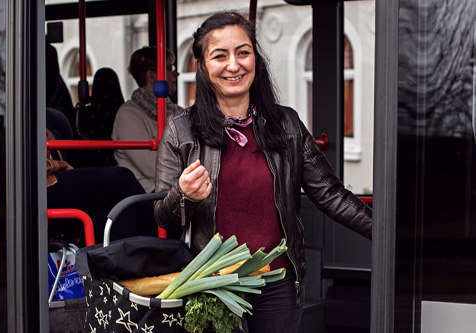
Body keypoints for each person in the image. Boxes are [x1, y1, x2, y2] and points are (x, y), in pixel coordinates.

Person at [153, 12, 372, 333]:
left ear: (256, 58)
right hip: (212, 284)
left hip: (277, 282)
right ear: (201, 66)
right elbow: (162, 217)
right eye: (219, 56)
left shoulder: (287, 125)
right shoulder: (180, 129)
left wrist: (385, 233)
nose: (234, 65)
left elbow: (331, 195)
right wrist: (182, 196)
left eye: (243, 52)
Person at [112, 46, 181, 194]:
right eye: (170, 68)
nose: (176, 73)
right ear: (151, 77)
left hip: (171, 190)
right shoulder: (128, 115)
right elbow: (155, 167)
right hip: (145, 196)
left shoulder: (175, 110)